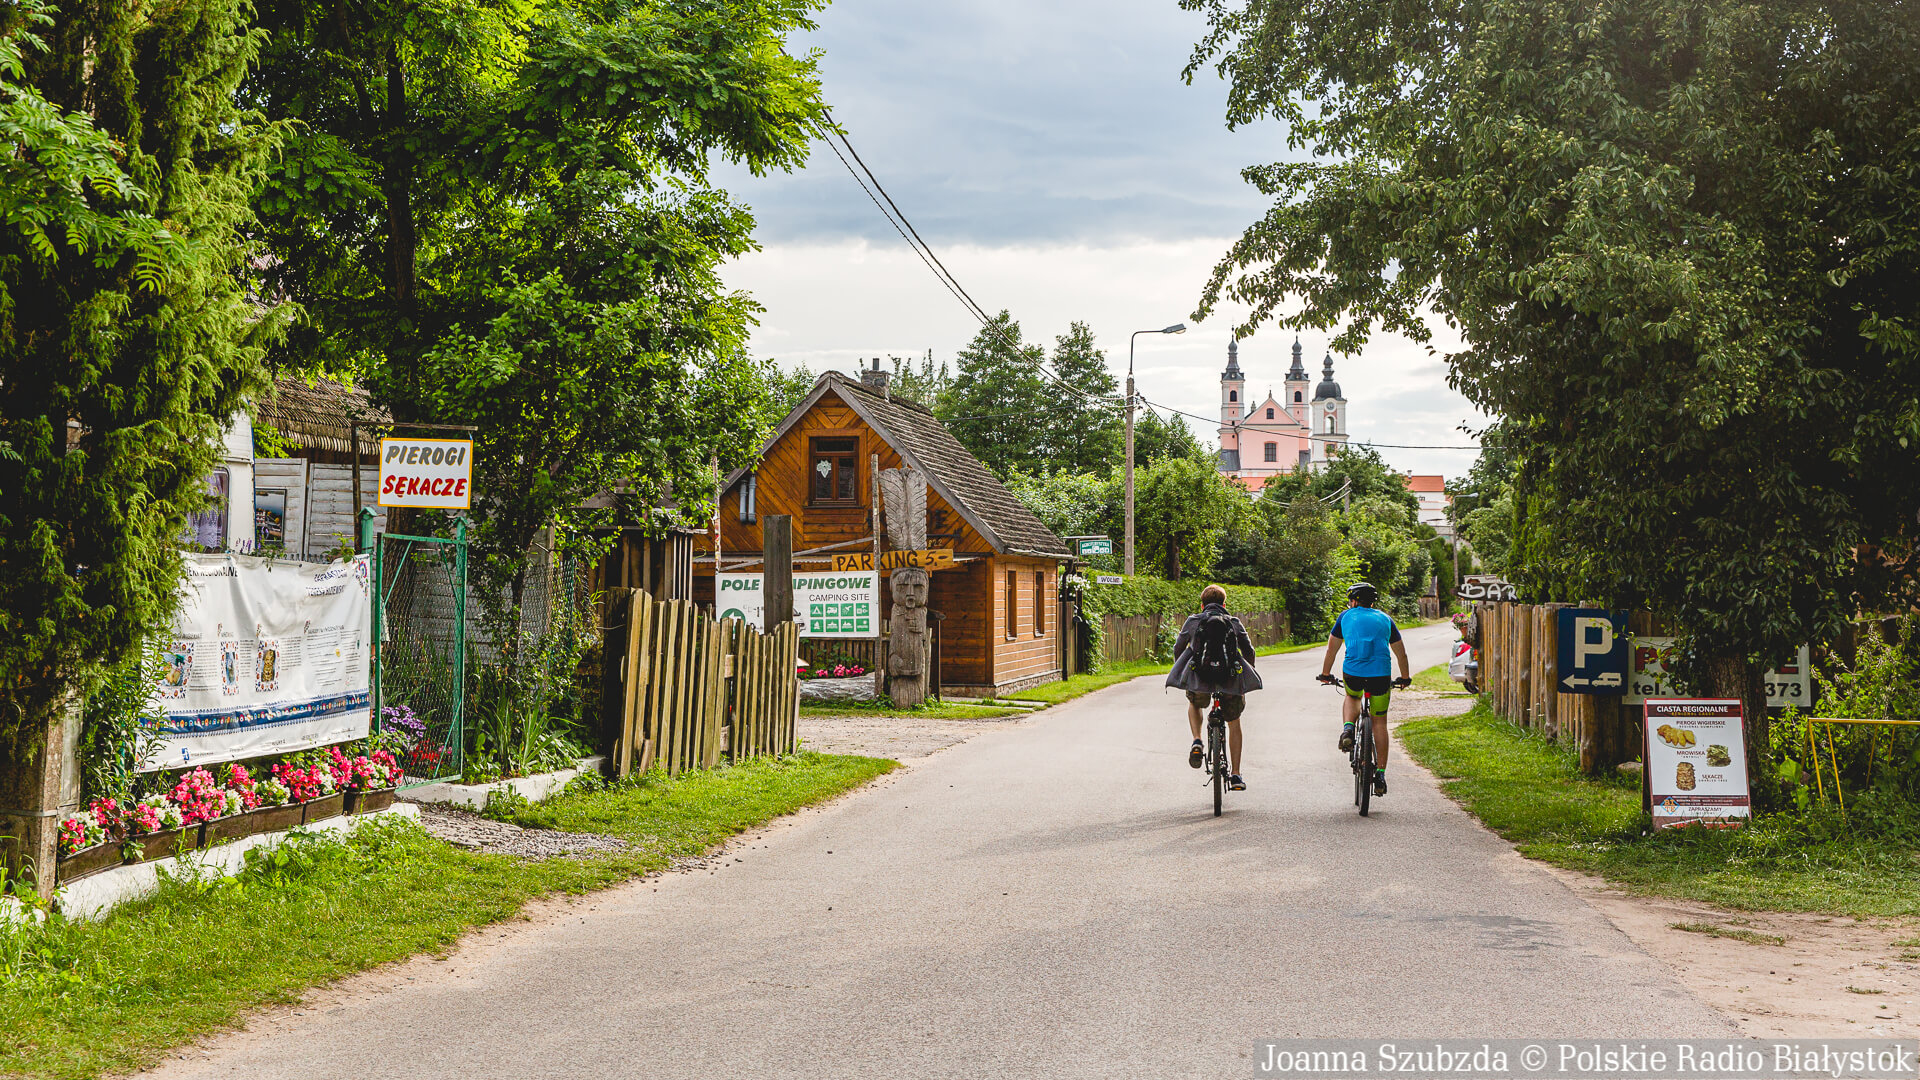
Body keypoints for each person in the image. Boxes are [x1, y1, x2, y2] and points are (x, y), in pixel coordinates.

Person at [1316, 582, 1411, 796]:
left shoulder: (1345, 617)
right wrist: (1405, 678)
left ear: (1353, 601)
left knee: (1352, 696)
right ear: (1373, 602)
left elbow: (1332, 649)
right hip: (1380, 675)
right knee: (1379, 721)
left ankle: (1348, 728)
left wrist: (1325, 673)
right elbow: (1401, 654)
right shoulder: (1386, 619)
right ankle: (1381, 774)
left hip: (1353, 672)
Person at [1166, 584, 1263, 791]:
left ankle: (1197, 740)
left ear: (1202, 604)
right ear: (1224, 604)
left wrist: (1183, 670)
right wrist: (1247, 673)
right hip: (1229, 679)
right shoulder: (1233, 622)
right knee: (1234, 721)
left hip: (1200, 677)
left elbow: (1178, 647)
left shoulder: (1194, 621)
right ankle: (1236, 774)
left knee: (1194, 703)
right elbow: (1249, 650)